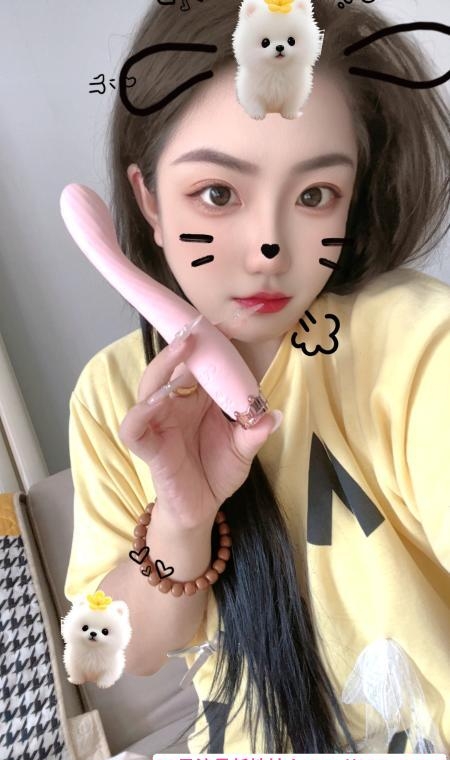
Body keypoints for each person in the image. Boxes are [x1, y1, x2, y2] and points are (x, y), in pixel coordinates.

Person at [64, 0, 450, 753]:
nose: (269, 247)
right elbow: (119, 655)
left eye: (315, 195)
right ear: (148, 201)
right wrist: (182, 517)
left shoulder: (415, 343)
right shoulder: (111, 395)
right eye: (217, 194)